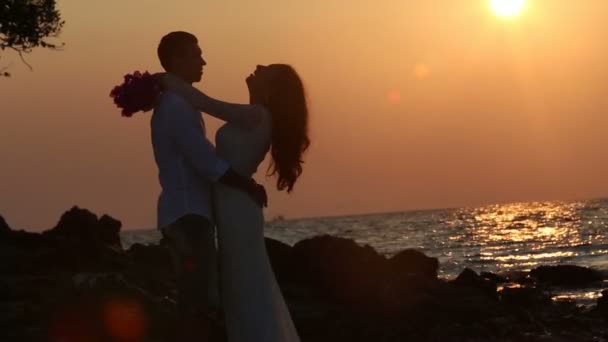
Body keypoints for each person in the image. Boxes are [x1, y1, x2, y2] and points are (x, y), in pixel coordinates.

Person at [158, 60, 310, 341]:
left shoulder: (257, 115)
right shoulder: (257, 115)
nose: (259, 65)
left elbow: (206, 103)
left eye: (268, 69)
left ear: (273, 87)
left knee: (245, 281)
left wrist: (166, 79)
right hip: (233, 205)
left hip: (237, 209)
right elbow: (240, 154)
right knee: (240, 281)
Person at [151, 31, 266, 339]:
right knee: (198, 299)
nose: (203, 61)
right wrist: (246, 185)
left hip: (189, 213)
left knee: (197, 298)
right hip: (188, 215)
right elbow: (204, 161)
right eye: (195, 54)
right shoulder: (176, 106)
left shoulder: (179, 102)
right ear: (176, 60)